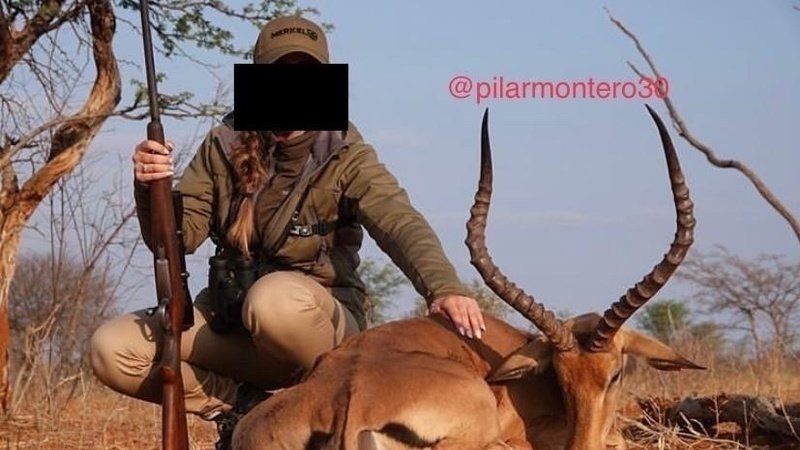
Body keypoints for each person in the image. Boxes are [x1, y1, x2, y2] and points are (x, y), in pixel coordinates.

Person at [89, 14, 485, 450]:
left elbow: (399, 221)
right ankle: (247, 412)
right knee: (112, 348)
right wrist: (151, 188)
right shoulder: (223, 143)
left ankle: (325, 409)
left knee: (274, 300)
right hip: (233, 321)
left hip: (317, 331)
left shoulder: (345, 151)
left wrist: (444, 288)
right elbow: (179, 238)